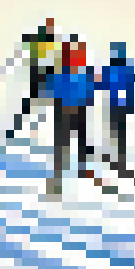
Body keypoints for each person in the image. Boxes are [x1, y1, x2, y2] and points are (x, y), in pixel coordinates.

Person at [45, 38, 111, 198]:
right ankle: (56, 183)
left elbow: (97, 83)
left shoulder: (82, 73)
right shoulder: (61, 73)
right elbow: (50, 88)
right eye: (75, 53)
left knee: (81, 145)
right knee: (62, 147)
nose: (79, 57)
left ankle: (84, 172)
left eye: (80, 53)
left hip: (78, 111)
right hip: (64, 112)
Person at [97, 40, 135, 181]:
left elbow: (100, 83)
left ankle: (114, 165)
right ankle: (114, 165)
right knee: (116, 137)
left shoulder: (115, 70)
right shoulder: (116, 70)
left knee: (116, 137)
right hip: (115, 108)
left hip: (118, 108)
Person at [6, 18, 58, 140]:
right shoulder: (42, 42)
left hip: (45, 77)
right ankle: (14, 129)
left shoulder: (47, 43)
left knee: (33, 104)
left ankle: (16, 129)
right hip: (41, 76)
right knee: (31, 104)